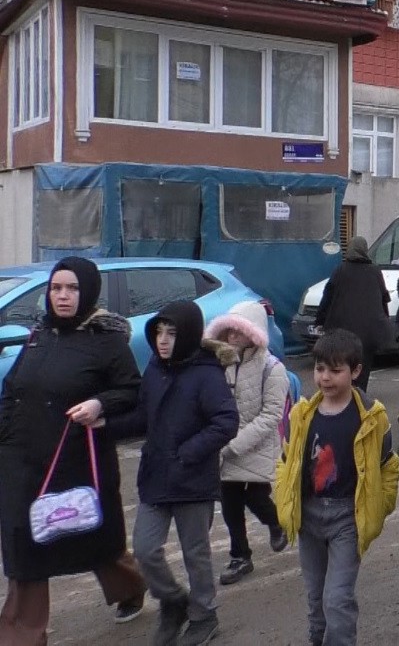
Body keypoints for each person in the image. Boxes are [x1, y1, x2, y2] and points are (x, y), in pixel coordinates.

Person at [0, 257, 147, 644]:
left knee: (92, 537)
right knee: (24, 549)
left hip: (77, 461)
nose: (63, 296)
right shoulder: (40, 334)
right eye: (56, 288)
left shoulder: (107, 341)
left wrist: (100, 404)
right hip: (21, 461)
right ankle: (22, 635)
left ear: (88, 293)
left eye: (72, 289)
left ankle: (130, 587)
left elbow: (132, 391)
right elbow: (14, 391)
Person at [104, 300, 240, 646]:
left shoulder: (207, 373)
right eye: (159, 332)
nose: (163, 340)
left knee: (195, 553)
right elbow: (143, 416)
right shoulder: (155, 367)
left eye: (172, 333)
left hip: (193, 478)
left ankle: (204, 615)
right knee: (147, 549)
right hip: (156, 475)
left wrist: (189, 452)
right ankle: (173, 601)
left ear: (189, 335)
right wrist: (105, 425)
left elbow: (226, 422)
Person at [273, 329, 399, 646]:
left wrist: (378, 507)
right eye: (319, 368)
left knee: (337, 599)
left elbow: (388, 465)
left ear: (356, 371)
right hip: (309, 517)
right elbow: (286, 460)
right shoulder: (302, 415)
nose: (325, 377)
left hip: (347, 517)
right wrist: (282, 500)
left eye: (335, 369)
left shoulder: (371, 417)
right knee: (316, 600)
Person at [203, 301, 290, 587]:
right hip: (226, 445)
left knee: (255, 497)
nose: (232, 337)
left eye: (239, 331)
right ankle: (240, 555)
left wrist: (235, 443)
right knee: (229, 504)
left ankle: (277, 524)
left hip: (256, 445)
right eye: (229, 330)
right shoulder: (221, 363)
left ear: (253, 333)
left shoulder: (272, 368)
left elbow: (271, 415)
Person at [315, 236, 392, 394]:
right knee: (362, 369)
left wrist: (320, 320)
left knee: (342, 365)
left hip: (343, 332)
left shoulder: (341, 270)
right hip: (367, 333)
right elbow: (384, 300)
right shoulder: (375, 271)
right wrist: (384, 323)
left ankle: (342, 396)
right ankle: (359, 399)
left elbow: (327, 297)